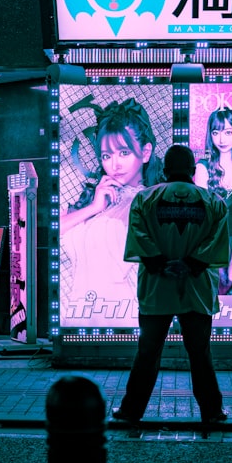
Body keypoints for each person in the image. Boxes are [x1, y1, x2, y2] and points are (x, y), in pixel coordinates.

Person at [112, 145, 231, 426]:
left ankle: (132, 411)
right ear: (192, 171)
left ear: (164, 170)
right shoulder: (214, 201)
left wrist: (159, 262)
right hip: (196, 287)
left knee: (148, 353)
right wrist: (190, 264)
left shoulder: (145, 198)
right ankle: (211, 412)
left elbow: (139, 236)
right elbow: (215, 241)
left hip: (157, 286)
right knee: (200, 354)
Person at [60, 99, 163, 310]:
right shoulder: (98, 198)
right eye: (107, 156)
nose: (114, 164)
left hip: (123, 311)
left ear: (145, 152)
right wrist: (94, 208)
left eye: (124, 153)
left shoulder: (152, 201)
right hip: (79, 310)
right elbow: (53, 233)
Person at [193, 108, 232, 291]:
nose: (222, 139)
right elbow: (202, 211)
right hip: (211, 237)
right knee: (213, 289)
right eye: (216, 132)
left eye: (228, 132)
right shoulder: (203, 167)